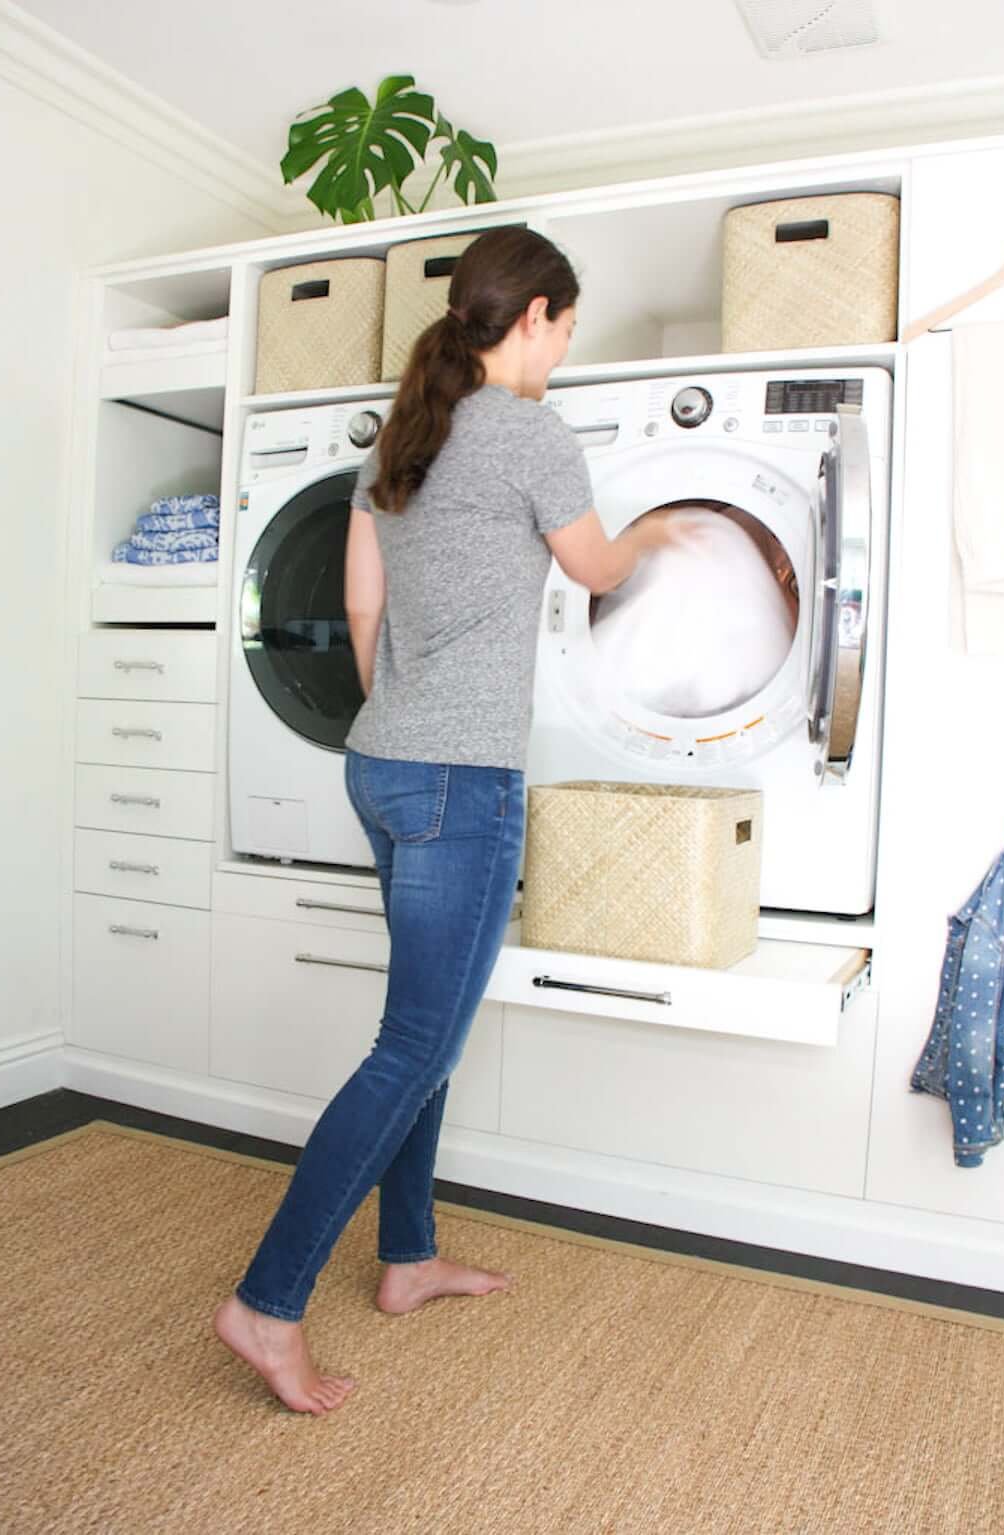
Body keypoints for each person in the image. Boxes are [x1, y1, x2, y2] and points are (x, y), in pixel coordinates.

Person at [214, 225, 682, 1415]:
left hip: (379, 764)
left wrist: (403, 718)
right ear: (532, 316)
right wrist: (654, 535)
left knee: (424, 1034)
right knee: (413, 1046)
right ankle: (266, 1304)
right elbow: (596, 570)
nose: (565, 347)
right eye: (565, 326)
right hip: (457, 779)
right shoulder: (526, 431)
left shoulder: (408, 435)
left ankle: (408, 1255)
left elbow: (362, 609)